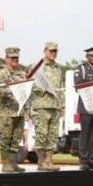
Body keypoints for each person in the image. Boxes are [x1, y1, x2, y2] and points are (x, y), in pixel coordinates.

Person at [30, 41, 64, 172]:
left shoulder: (58, 68)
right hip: (41, 105)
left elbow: (60, 87)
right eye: (51, 51)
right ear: (45, 51)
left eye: (55, 51)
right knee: (41, 135)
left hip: (55, 106)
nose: (53, 53)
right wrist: (45, 89)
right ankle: (41, 162)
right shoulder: (38, 66)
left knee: (52, 135)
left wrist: (62, 105)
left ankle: (49, 161)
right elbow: (31, 84)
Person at [0, 47, 27, 173]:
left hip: (19, 112)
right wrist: (13, 90)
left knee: (16, 139)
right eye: (12, 58)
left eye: (16, 58)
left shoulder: (22, 74)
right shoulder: (2, 74)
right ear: (6, 59)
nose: (14, 60)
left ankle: (13, 163)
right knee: (5, 139)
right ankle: (5, 163)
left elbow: (26, 92)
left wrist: (27, 109)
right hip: (5, 114)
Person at [73, 45, 93, 171]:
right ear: (87, 56)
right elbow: (78, 86)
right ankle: (84, 161)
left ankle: (92, 159)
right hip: (86, 106)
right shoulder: (81, 68)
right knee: (85, 134)